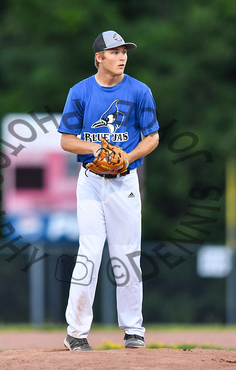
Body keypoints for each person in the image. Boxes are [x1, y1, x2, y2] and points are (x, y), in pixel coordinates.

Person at [58, 30, 160, 351]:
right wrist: (97, 150)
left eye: (124, 51)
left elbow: (153, 137)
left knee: (127, 256)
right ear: (99, 57)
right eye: (114, 52)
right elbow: (66, 139)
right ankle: (76, 333)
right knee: (88, 254)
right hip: (90, 181)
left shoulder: (140, 91)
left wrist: (126, 157)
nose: (122, 56)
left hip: (125, 181)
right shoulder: (80, 92)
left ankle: (133, 330)